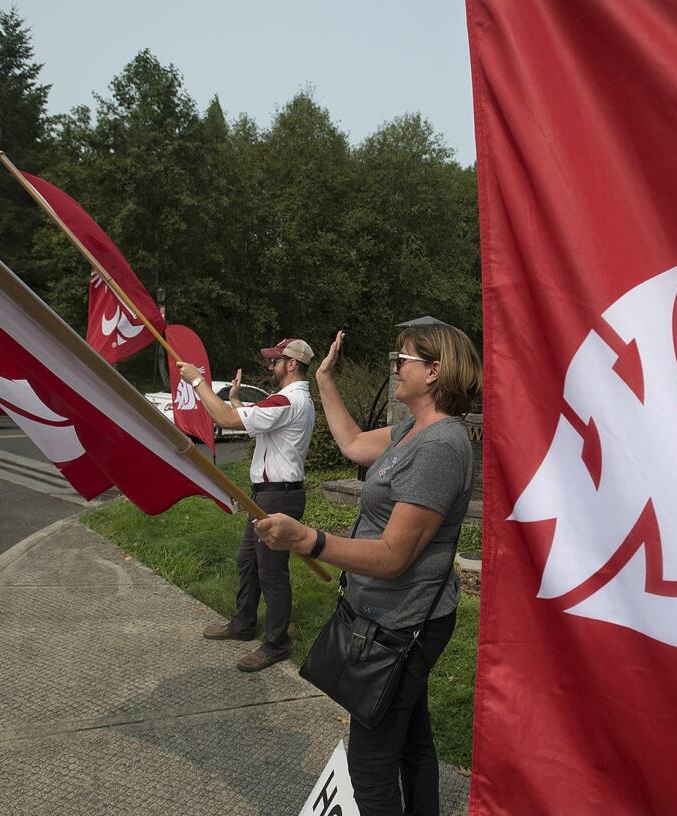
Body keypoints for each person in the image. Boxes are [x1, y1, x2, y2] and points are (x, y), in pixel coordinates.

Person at [255, 323, 481, 816]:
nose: (394, 368)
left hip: (404, 623)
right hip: (386, 615)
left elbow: (393, 555)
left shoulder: (441, 446)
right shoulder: (412, 430)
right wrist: (326, 380)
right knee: (411, 740)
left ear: (434, 370)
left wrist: (309, 540)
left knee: (371, 765)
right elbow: (354, 443)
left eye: (402, 360)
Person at [177, 338, 316, 672]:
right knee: (248, 561)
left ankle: (276, 644)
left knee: (272, 572)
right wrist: (238, 399)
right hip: (268, 494)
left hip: (278, 497)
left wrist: (198, 381)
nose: (270, 367)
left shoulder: (288, 400)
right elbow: (252, 421)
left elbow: (225, 419)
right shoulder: (287, 401)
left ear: (292, 364)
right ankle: (242, 625)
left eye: (274, 362)